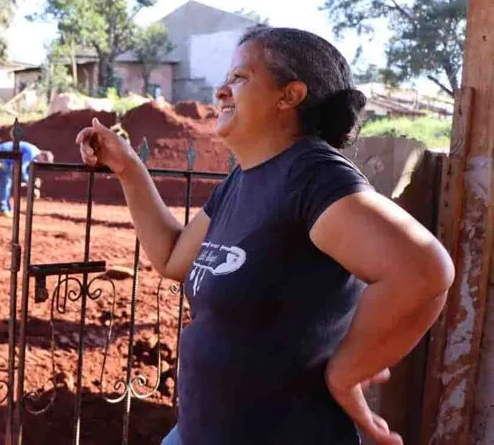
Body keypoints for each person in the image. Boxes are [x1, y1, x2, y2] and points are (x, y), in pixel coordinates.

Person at [76, 26, 453, 445]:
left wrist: (347, 372)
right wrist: (128, 168)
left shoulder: (313, 177)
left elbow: (423, 269)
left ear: (288, 95)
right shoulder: (244, 179)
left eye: (239, 78)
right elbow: (171, 256)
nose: (221, 90)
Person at [0, 139, 53, 217]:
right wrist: (29, 182)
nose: (41, 164)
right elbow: (22, 168)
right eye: (43, 163)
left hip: (5, 158)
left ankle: (7, 208)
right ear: (42, 157)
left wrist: (30, 181)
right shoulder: (32, 153)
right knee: (5, 182)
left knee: (8, 183)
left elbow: (26, 170)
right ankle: (3, 209)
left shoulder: (35, 155)